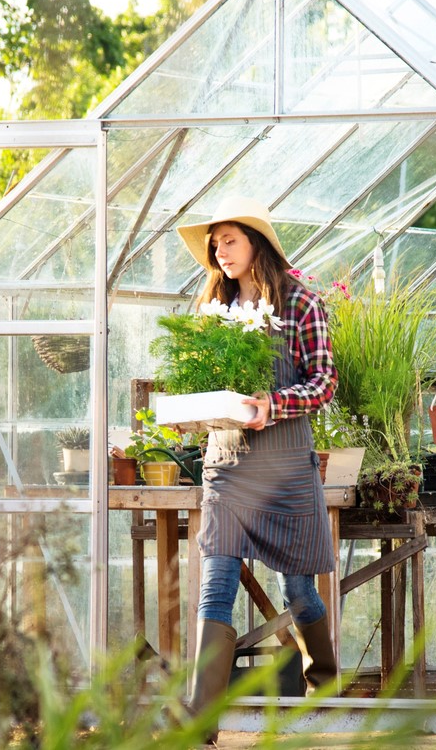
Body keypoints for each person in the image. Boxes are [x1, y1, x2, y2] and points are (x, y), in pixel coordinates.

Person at [173, 197, 338, 711]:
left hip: (286, 470)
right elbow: (202, 383)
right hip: (227, 469)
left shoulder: (300, 304)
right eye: (215, 244)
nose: (220, 252)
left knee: (298, 593)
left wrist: (275, 403)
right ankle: (200, 719)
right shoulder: (212, 310)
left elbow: (324, 381)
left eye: (230, 240)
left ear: (256, 243)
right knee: (215, 586)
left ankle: (324, 690)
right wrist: (189, 413)